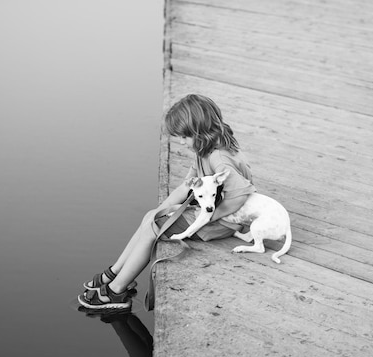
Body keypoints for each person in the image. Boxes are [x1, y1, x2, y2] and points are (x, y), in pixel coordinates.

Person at [78, 94, 256, 312]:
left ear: (199, 131)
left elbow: (239, 195)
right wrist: (160, 210)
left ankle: (116, 291)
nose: (181, 142)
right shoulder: (204, 150)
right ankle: (115, 272)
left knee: (154, 228)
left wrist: (207, 217)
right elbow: (185, 188)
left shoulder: (219, 158)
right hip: (213, 213)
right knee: (151, 217)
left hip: (224, 222)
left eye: (184, 137)